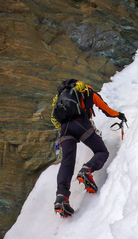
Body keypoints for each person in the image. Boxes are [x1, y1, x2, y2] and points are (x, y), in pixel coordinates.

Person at [53, 79, 126, 217]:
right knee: (101, 151)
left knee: (67, 163)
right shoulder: (87, 91)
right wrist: (119, 115)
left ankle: (61, 197)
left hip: (64, 130)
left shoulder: (61, 97)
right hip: (80, 124)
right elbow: (107, 110)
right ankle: (87, 170)